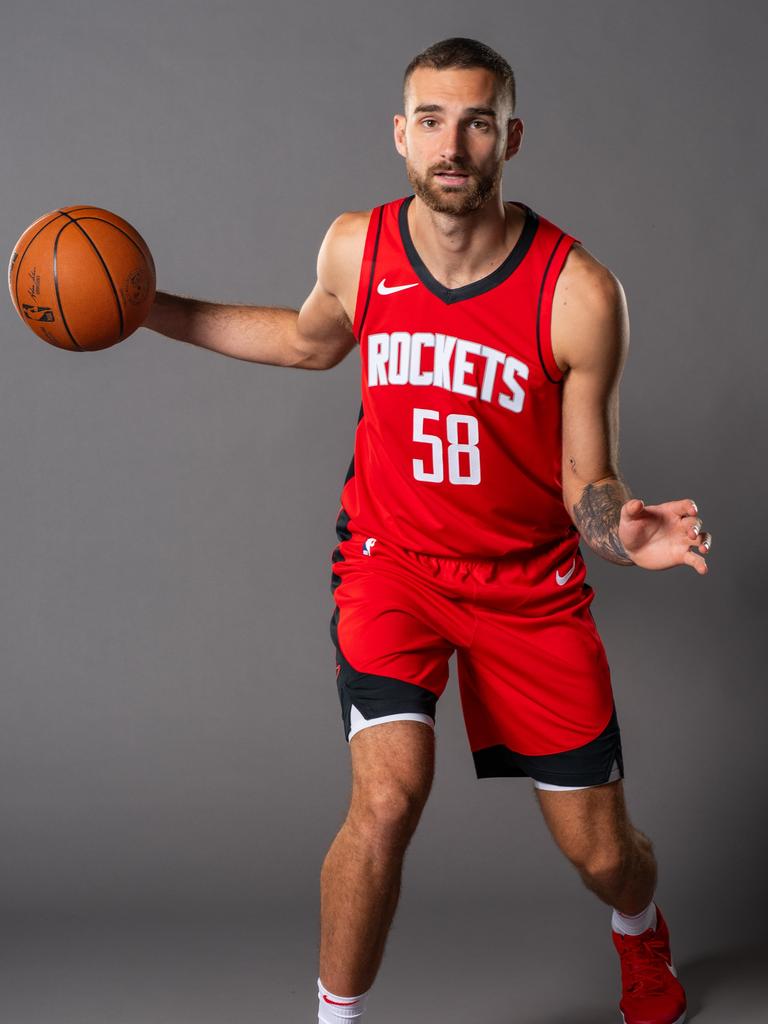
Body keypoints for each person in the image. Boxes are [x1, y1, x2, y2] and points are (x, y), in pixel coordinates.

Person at [145, 37, 711, 1024]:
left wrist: (622, 531)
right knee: (387, 798)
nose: (456, 145)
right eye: (435, 121)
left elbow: (588, 482)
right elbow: (303, 340)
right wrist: (146, 307)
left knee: (602, 853)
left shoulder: (577, 293)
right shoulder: (355, 248)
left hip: (528, 584)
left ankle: (640, 929)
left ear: (511, 139)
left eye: (479, 122)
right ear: (402, 135)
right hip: (391, 564)